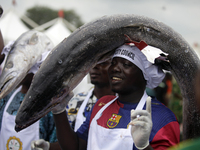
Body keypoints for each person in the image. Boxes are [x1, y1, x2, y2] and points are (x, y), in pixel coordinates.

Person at [37, 44, 180, 150]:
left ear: (145, 75)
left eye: (126, 64)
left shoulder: (163, 118)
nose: (115, 68)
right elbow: (76, 146)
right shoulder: (102, 105)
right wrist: (58, 111)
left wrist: (144, 147)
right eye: (113, 62)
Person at [31, 59, 115, 149]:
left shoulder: (122, 103)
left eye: (103, 63)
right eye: (93, 63)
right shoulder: (76, 100)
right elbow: (72, 142)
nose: (95, 67)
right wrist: (48, 146)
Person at [0, 43, 61, 150]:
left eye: (26, 66)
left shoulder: (49, 104)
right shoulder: (6, 96)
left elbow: (58, 143)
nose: (20, 70)